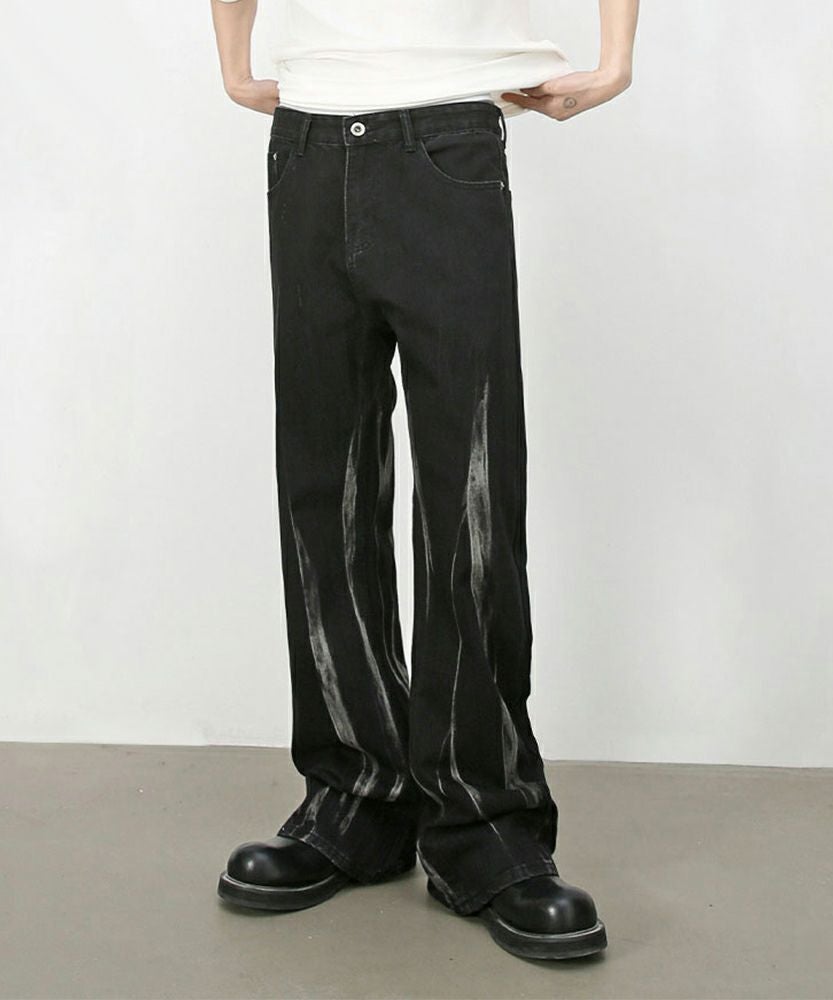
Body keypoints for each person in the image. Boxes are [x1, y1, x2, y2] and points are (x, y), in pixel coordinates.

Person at [210, 0, 638, 962]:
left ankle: (485, 825)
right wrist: (233, 63)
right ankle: (353, 800)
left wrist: (616, 55)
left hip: (446, 135)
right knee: (323, 486)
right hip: (308, 142)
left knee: (470, 489)